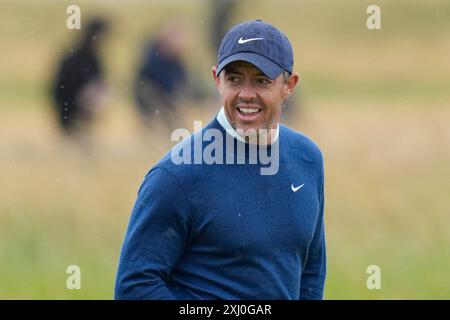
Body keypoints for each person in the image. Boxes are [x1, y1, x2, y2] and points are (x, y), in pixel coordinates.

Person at [115, 19, 326, 300]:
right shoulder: (177, 175)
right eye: (234, 79)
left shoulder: (307, 159)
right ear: (217, 79)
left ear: (289, 85)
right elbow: (134, 288)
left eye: (262, 80)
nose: (246, 94)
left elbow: (311, 270)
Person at [52, 18, 108, 137]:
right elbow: (62, 90)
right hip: (71, 113)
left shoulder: (91, 59)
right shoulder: (78, 60)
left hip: (79, 113)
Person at [134, 22, 189, 130]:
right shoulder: (153, 57)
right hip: (152, 100)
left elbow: (182, 80)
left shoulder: (175, 59)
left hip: (166, 102)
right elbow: (149, 83)